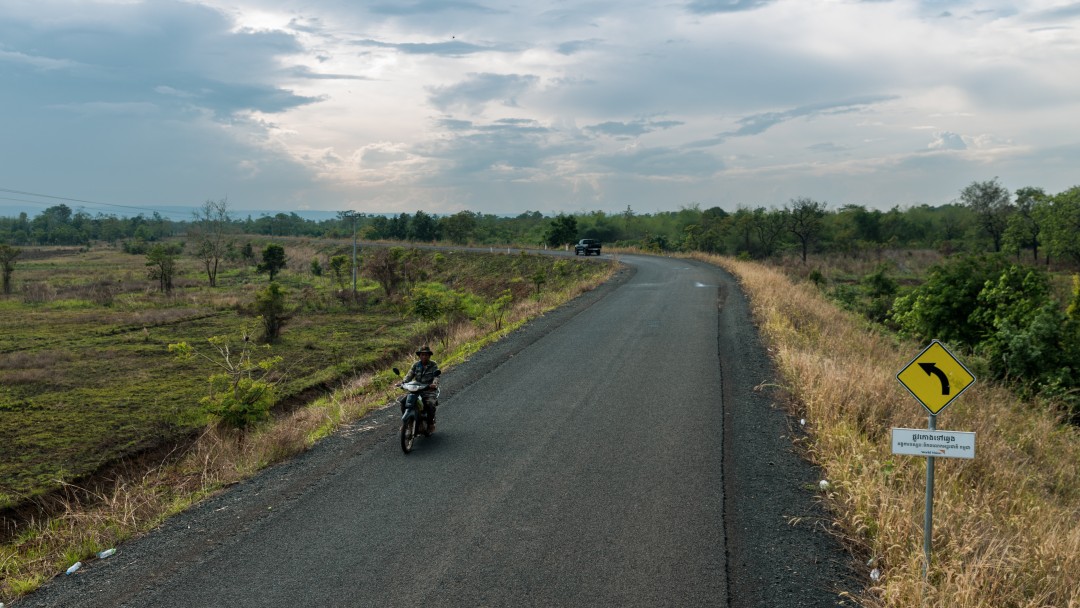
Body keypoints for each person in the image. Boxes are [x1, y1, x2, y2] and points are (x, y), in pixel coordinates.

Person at [401, 345, 440, 432]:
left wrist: (434, 384)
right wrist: (403, 382)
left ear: (429, 356)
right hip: (416, 389)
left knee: (430, 404)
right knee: (403, 401)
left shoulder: (433, 365)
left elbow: (436, 377)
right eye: (422, 355)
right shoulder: (416, 365)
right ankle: (407, 422)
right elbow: (409, 375)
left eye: (426, 355)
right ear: (419, 356)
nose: (424, 356)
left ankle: (430, 423)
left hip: (428, 390)